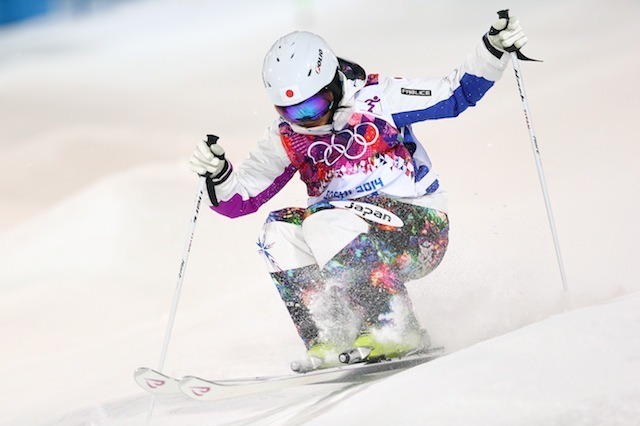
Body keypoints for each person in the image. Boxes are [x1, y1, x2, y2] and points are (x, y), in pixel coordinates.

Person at [189, 14, 528, 371]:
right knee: (277, 230)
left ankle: (394, 326)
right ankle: (334, 334)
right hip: (345, 235)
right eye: (291, 111)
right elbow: (237, 202)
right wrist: (218, 174)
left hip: (417, 230)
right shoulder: (287, 136)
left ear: (333, 84)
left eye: (313, 106)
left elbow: (456, 94)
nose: (307, 120)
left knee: (324, 220)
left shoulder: (377, 100)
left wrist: (493, 49)